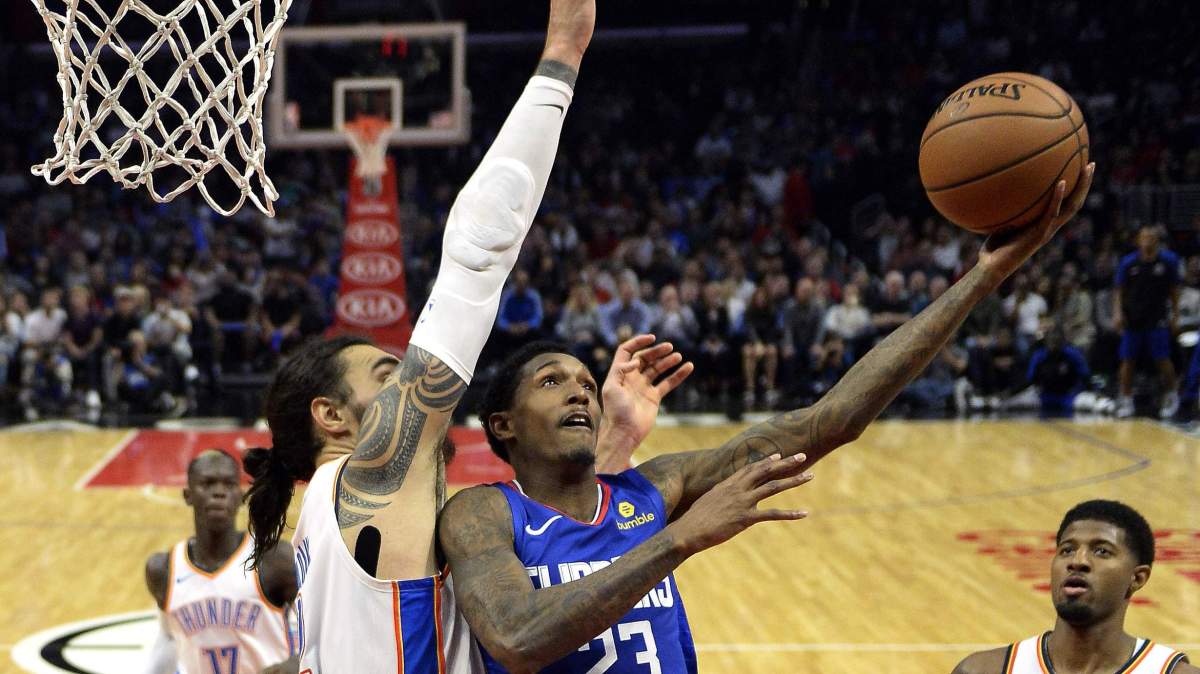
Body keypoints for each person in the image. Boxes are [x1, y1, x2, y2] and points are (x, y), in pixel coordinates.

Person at [438, 167, 1094, 673]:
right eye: (552, 382)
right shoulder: (482, 514)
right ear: (503, 425)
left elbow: (831, 419)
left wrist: (982, 278)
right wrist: (679, 539)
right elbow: (516, 636)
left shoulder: (652, 489)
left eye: (586, 381)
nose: (580, 392)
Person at [242, 4, 691, 669]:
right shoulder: (370, 477)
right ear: (331, 416)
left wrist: (613, 443)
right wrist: (563, 57)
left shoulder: (332, 523)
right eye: (388, 376)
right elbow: (479, 250)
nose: (412, 384)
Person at [952, 500, 1195, 674]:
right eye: (1067, 550)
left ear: (1138, 578)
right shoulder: (981, 670)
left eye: (1102, 551)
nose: (1078, 561)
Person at [142, 450, 297, 674]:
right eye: (207, 484)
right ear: (187, 495)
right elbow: (168, 638)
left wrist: (297, 661)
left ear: (241, 496)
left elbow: (319, 622)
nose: (219, 492)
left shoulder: (274, 559)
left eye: (229, 484)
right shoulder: (163, 569)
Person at [1114, 225, 1181, 418]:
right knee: (1128, 360)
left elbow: (1174, 291)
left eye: (1151, 237)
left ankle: (1171, 395)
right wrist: (1117, 313)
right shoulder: (1128, 262)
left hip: (1157, 317)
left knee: (1162, 359)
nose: (1147, 240)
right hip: (1133, 317)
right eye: (1144, 237)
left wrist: (1175, 315)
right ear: (1138, 240)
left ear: (1157, 240)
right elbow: (1119, 291)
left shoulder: (1168, 261)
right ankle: (1126, 400)